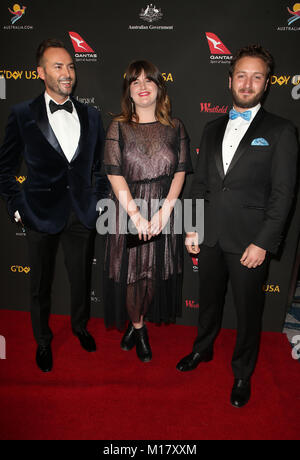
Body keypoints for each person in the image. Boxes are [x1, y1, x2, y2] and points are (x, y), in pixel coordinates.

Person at [176, 45, 299, 407]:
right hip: (209, 235)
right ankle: (203, 349)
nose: (247, 83)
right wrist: (191, 226)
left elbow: (283, 195)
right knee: (208, 302)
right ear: (229, 80)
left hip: (250, 242)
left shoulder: (282, 131)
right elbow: (199, 185)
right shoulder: (212, 128)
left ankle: (243, 372)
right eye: (241, 75)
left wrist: (263, 242)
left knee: (248, 312)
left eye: (256, 77)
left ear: (266, 84)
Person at [0, 39, 108, 372]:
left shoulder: (91, 114)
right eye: (58, 66)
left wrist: (100, 201)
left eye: (71, 66)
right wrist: (18, 207)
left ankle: (79, 326)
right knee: (40, 285)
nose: (67, 73)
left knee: (80, 279)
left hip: (81, 212)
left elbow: (102, 165)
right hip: (38, 213)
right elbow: (5, 167)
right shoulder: (21, 114)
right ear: (40, 72)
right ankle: (43, 340)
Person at [102, 60, 192, 362]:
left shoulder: (175, 126)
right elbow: (114, 173)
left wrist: (166, 211)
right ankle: (139, 328)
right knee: (133, 276)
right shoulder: (118, 126)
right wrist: (136, 216)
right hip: (130, 209)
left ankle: (136, 322)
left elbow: (180, 172)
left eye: (148, 81)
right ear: (128, 90)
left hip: (164, 209)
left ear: (159, 88)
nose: (142, 86)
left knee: (153, 275)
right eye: (135, 81)